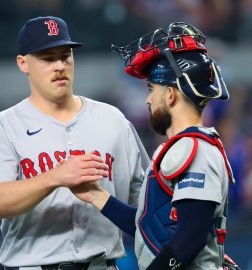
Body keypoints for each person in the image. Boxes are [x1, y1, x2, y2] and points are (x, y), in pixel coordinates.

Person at [68, 22, 241, 270]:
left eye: (151, 89)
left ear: (170, 94)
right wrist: (97, 196)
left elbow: (191, 237)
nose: (148, 99)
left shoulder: (196, 150)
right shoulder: (181, 148)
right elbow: (151, 226)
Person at [0, 16, 150, 270]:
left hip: (102, 264)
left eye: (66, 55)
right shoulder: (2, 126)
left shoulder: (113, 120)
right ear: (23, 63)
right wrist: (55, 177)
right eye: (48, 58)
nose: (59, 65)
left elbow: (147, 201)